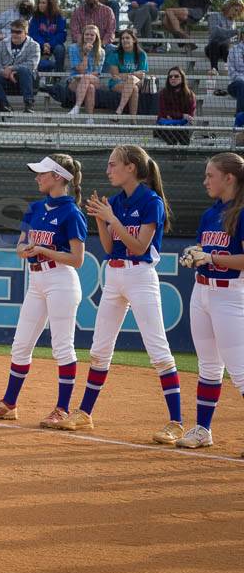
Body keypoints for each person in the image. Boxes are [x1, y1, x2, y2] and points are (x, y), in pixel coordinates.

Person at [59, 145, 184, 444]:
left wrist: (111, 218)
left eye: (113, 164)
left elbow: (140, 247)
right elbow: (108, 246)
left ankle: (176, 423)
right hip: (114, 274)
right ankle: (85, 412)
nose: (108, 169)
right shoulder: (115, 201)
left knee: (158, 350)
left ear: (131, 167)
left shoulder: (151, 201)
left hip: (140, 275)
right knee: (100, 349)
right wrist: (102, 220)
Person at [0, 155, 87, 428]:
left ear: (58, 177)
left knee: (62, 346)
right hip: (36, 281)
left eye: (42, 174)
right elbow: (21, 246)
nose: (37, 177)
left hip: (61, 280)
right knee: (21, 345)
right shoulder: (35, 208)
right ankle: (9, 404)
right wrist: (24, 250)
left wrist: (42, 250)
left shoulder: (72, 213)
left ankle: (62, 409)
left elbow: (77, 259)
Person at [174, 152, 244, 450]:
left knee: (239, 370)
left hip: (230, 294)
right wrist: (196, 255)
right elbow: (208, 247)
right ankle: (203, 429)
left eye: (210, 176)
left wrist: (211, 257)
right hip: (202, 291)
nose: (205, 181)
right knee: (208, 366)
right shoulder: (209, 213)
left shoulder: (242, 212)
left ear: (229, 178)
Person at [0, 19, 41, 113]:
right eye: (12, 31)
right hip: (6, 78)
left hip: (27, 80)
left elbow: (32, 64)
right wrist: (3, 72)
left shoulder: (34, 45)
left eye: (18, 32)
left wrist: (12, 69)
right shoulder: (1, 44)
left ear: (26, 32)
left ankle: (29, 104)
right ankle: (4, 105)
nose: (14, 34)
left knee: (24, 70)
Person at [103, 28, 147, 117]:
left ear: (134, 40)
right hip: (117, 83)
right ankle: (133, 120)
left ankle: (120, 109)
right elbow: (115, 76)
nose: (124, 40)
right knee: (134, 89)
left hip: (137, 81)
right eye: (122, 38)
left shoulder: (141, 54)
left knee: (132, 81)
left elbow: (142, 75)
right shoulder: (114, 54)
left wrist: (126, 76)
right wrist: (133, 74)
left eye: (127, 38)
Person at [64, 24, 105, 117]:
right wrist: (85, 53)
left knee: (87, 78)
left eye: (92, 35)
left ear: (96, 37)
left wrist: (84, 76)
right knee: (90, 88)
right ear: (83, 36)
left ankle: (76, 107)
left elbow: (97, 73)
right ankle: (90, 119)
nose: (89, 37)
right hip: (75, 80)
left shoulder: (101, 52)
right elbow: (80, 70)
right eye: (87, 34)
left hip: (94, 79)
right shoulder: (73, 48)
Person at [155, 67, 197, 146]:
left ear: (182, 78)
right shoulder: (163, 93)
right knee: (172, 133)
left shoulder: (190, 95)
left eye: (176, 76)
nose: (173, 78)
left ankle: (182, 157)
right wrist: (182, 115)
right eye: (170, 76)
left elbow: (190, 116)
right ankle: (173, 157)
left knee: (182, 133)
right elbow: (163, 113)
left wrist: (172, 115)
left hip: (182, 126)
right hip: (165, 126)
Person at [0, 0, 35, 68]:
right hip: (3, 40)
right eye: (24, 4)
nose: (25, 6)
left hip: (21, 42)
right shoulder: (10, 13)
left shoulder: (32, 19)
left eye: (28, 5)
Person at [29, 0, 67, 72]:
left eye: (43, 3)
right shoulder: (35, 17)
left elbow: (61, 34)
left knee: (60, 49)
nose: (40, 5)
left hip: (54, 44)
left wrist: (49, 44)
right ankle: (34, 74)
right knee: (32, 47)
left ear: (50, 5)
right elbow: (33, 34)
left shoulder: (59, 17)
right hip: (39, 43)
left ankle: (58, 75)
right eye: (39, 2)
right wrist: (43, 44)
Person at [204, 0, 243, 75]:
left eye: (239, 12)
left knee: (226, 46)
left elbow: (232, 40)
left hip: (225, 50)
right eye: (235, 10)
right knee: (215, 42)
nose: (237, 13)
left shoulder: (233, 22)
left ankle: (231, 69)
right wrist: (234, 32)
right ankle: (214, 69)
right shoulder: (214, 15)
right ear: (229, 7)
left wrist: (239, 38)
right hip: (212, 49)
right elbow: (215, 31)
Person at [227, 33, 244, 116]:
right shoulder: (233, 50)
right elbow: (231, 72)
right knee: (241, 84)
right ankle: (240, 114)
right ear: (242, 35)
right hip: (235, 85)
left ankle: (239, 117)